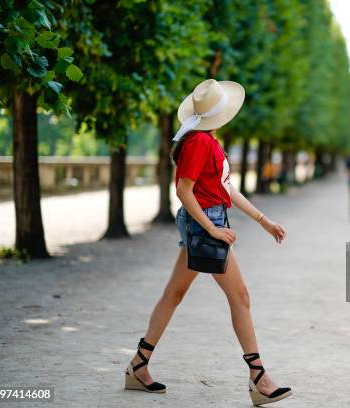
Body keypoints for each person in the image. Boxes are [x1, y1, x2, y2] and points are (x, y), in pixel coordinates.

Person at [124, 79, 292, 406]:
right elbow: (184, 191)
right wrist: (212, 230)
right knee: (239, 296)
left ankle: (138, 365)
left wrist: (263, 221)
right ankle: (259, 377)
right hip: (205, 222)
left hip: (206, 220)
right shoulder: (200, 142)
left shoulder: (207, 139)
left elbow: (226, 189)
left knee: (174, 293)